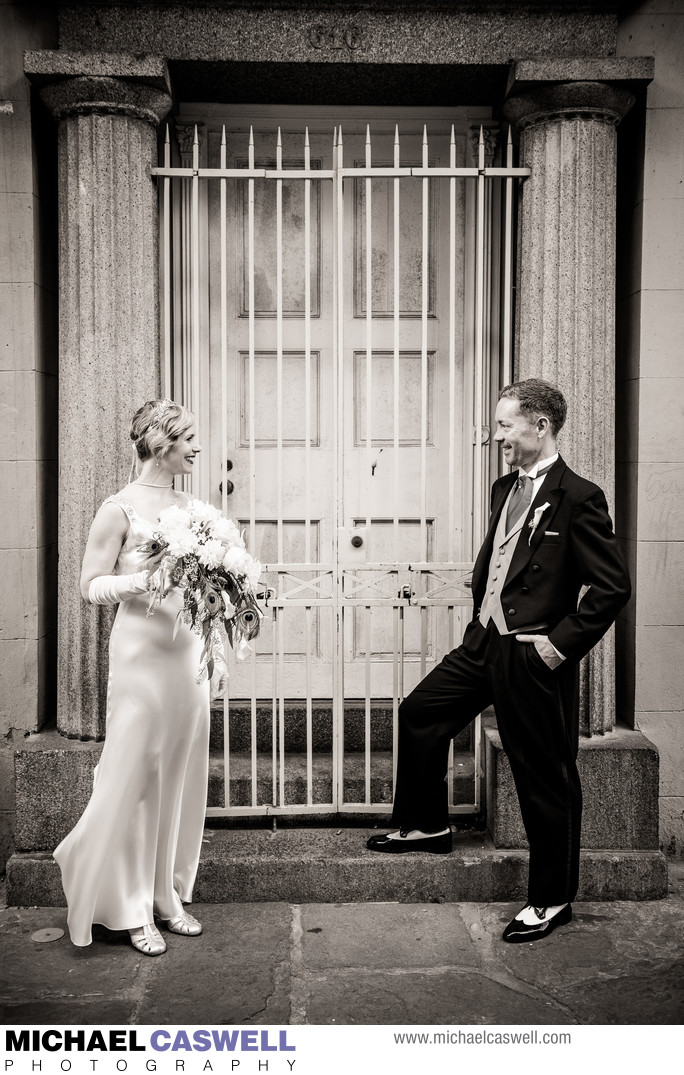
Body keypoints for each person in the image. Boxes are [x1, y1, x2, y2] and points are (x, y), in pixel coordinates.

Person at [367, 379, 631, 943]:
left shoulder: (580, 497)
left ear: (541, 426)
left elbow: (611, 589)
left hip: (531, 654)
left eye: (506, 425)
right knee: (421, 711)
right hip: (484, 641)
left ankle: (552, 897)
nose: (497, 436)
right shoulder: (503, 487)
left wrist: (556, 646)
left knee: (543, 773)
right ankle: (427, 824)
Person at [54, 399, 209, 956]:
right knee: (134, 773)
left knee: (179, 774)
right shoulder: (117, 508)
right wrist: (137, 583)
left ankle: (168, 895)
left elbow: (200, 577)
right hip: (140, 655)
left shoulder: (195, 507)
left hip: (186, 654)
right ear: (161, 442)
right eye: (188, 438)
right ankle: (130, 906)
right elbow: (89, 583)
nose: (196, 447)